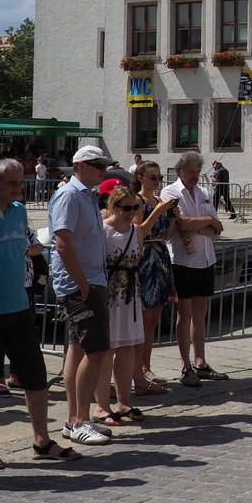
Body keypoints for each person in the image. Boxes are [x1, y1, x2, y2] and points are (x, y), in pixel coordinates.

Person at [0, 159, 69, 467]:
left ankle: (42, 440)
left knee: (35, 377)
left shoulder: (20, 211)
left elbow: (29, 246)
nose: (19, 189)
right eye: (13, 183)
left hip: (18, 307)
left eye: (20, 183)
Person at [49, 146, 116, 446]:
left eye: (104, 164)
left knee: (78, 348)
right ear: (81, 166)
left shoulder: (88, 195)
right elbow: (62, 244)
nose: (103, 169)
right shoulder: (69, 195)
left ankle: (73, 420)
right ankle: (80, 421)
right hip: (81, 283)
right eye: (97, 164)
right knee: (97, 350)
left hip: (91, 279)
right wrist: (84, 286)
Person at [160, 151, 226, 386]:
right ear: (180, 171)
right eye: (191, 173)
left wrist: (201, 225)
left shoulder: (204, 192)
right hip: (182, 260)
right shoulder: (169, 192)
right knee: (184, 312)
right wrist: (205, 223)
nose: (196, 176)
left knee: (201, 310)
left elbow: (217, 226)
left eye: (198, 172)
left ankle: (200, 362)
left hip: (206, 259)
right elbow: (180, 223)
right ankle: (185, 366)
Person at [97, 183, 145, 427]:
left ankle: (124, 401)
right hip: (110, 294)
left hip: (130, 293)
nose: (131, 211)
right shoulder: (103, 230)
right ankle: (101, 405)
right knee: (106, 350)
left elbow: (138, 257)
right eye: (127, 207)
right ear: (113, 206)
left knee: (127, 348)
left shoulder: (136, 230)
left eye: (135, 207)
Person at [128, 164, 178, 396]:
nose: (158, 181)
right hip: (145, 258)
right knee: (144, 316)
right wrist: (157, 212)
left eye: (159, 177)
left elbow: (164, 235)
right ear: (140, 178)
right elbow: (139, 231)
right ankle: (139, 367)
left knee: (155, 317)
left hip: (159, 255)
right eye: (153, 177)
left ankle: (146, 365)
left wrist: (173, 219)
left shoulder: (158, 199)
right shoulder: (138, 201)